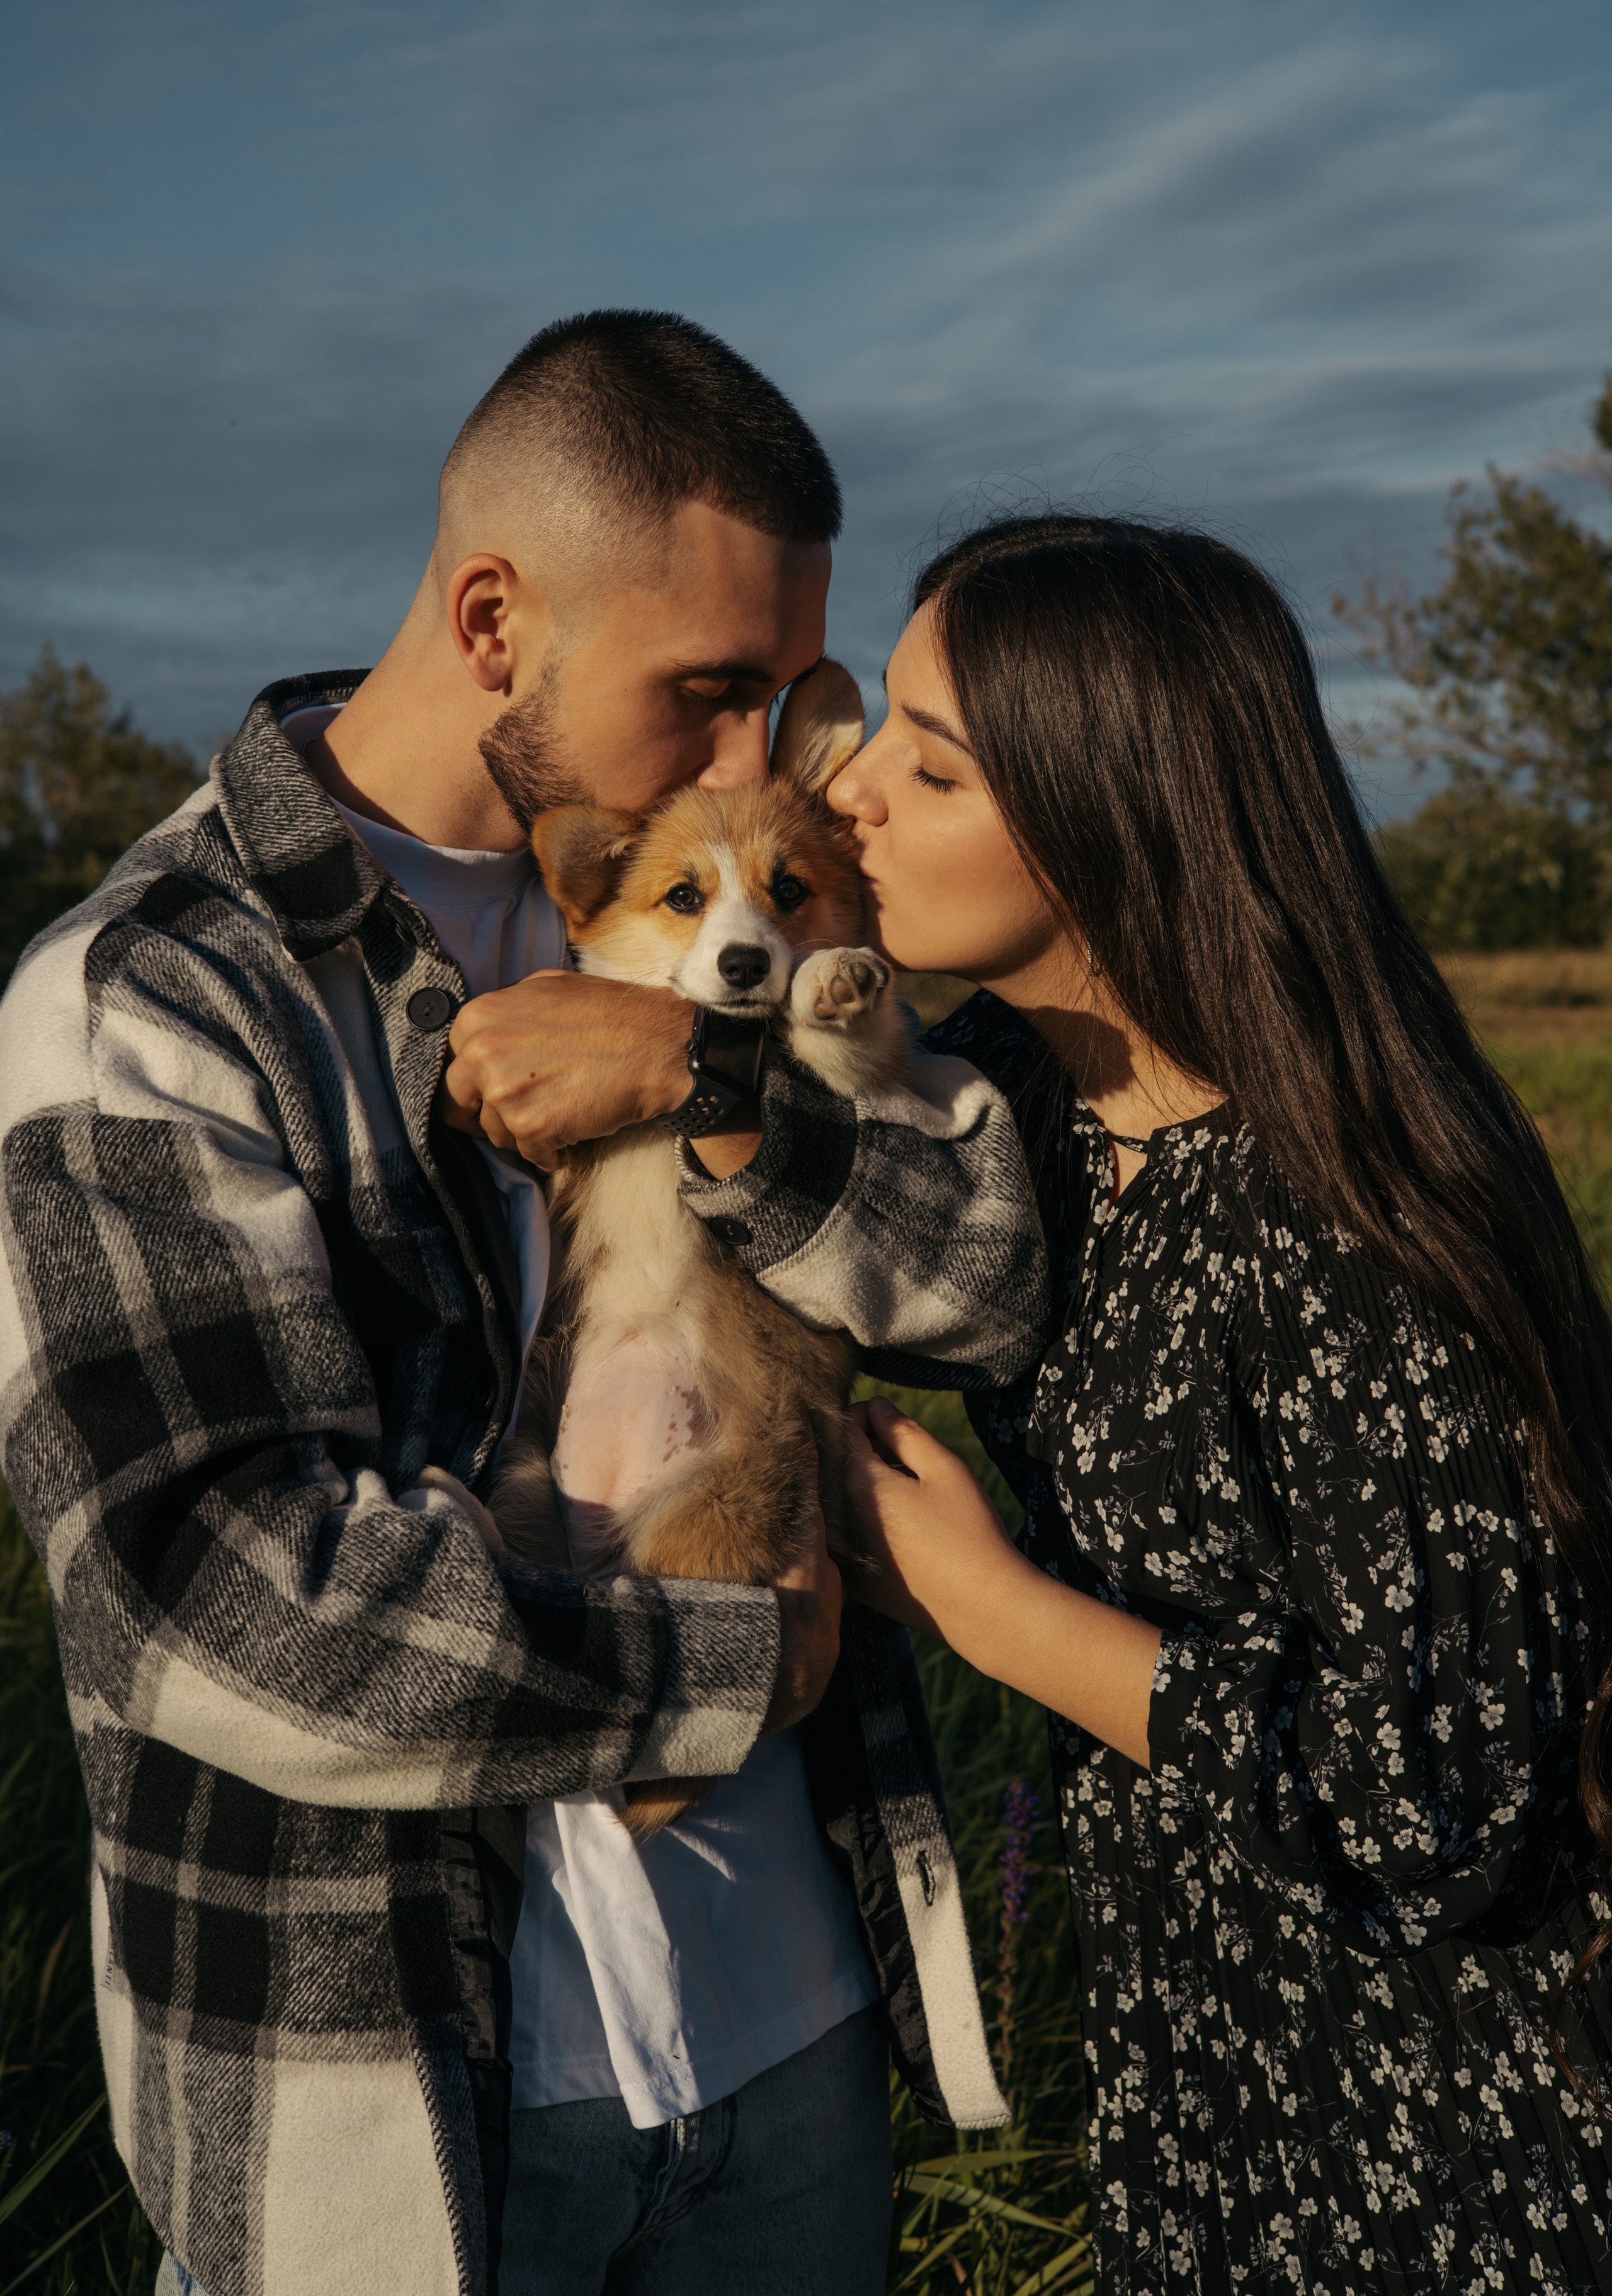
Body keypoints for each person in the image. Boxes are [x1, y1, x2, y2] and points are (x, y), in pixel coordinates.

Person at [0, 314, 1048, 2296]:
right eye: (714, 690)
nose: (771, 764)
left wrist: (702, 1082)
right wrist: (743, 1655)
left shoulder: (750, 917)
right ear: (496, 617)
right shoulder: (148, 1004)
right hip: (405, 2127)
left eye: (788, 694)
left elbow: (993, 1286)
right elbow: (213, 1605)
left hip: (793, 2044)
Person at [693, 510, 1612, 2293]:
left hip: (1417, 2114)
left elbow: (1435, 1798)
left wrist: (996, 1614)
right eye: (878, 724)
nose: (858, 793)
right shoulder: (1031, 1100)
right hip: (1195, 2050)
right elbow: (832, 1209)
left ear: (1112, 812)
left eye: (931, 765)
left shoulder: (1351, 1214)